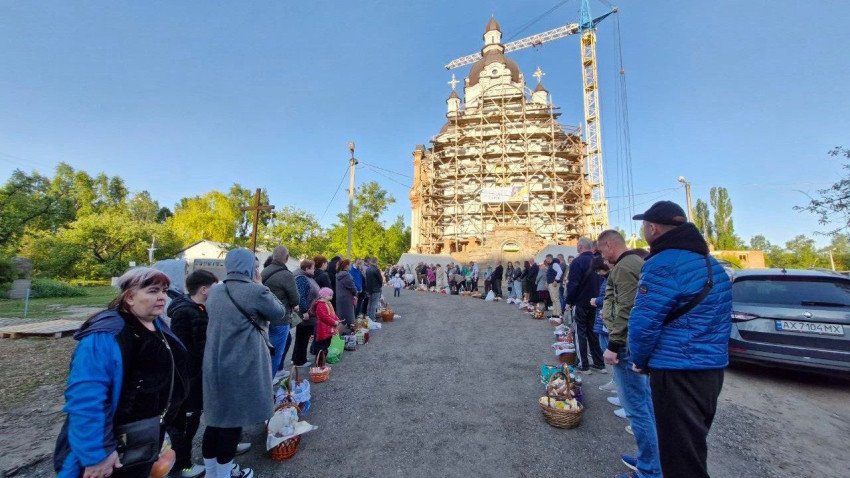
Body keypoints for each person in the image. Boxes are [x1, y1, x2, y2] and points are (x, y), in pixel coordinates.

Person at [629, 201, 732, 478]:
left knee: (679, 458)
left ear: (653, 228)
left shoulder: (663, 263)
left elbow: (644, 323)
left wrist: (640, 359)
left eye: (644, 226)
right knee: (692, 449)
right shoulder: (711, 265)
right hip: (710, 370)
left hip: (676, 370)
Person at [55, 268, 188, 478]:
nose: (162, 297)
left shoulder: (155, 324)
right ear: (130, 297)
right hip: (113, 448)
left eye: (164, 291)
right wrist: (97, 455)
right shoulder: (106, 334)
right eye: (153, 291)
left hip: (144, 438)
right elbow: (86, 398)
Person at [202, 249, 283, 478]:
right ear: (249, 267)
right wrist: (260, 284)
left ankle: (211, 472)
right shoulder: (256, 291)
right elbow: (278, 312)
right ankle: (224, 474)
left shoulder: (215, 291)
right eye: (255, 266)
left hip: (214, 361)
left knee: (215, 420)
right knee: (232, 422)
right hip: (242, 363)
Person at [597, 230, 661, 478]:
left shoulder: (624, 267)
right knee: (645, 404)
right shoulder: (635, 262)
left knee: (636, 409)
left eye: (602, 252)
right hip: (632, 343)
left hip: (625, 345)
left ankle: (649, 470)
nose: (603, 258)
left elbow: (626, 307)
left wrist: (613, 344)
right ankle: (651, 460)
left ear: (610, 245)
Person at [167, 269, 218, 478]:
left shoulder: (200, 309)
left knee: (194, 418)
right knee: (186, 422)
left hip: (198, 375)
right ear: (204, 289)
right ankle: (182, 466)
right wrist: (191, 375)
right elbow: (181, 350)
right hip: (189, 379)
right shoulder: (185, 312)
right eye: (214, 287)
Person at [565, 238, 606, 374]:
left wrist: (569, 301)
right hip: (595, 302)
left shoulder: (577, 262)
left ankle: (583, 364)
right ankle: (599, 363)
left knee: (579, 332)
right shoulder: (598, 260)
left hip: (581, 301)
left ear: (580, 247)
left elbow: (573, 284)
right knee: (593, 332)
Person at [261, 246, 300, 381]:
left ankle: (266, 380)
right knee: (276, 353)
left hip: (264, 318)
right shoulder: (286, 275)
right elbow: (295, 299)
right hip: (280, 319)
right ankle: (269, 383)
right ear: (287, 258)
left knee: (267, 352)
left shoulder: (264, 271)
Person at [590, 257, 617, 395]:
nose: (598, 273)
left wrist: (597, 301)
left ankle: (618, 386)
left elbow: (612, 298)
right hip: (604, 319)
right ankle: (616, 382)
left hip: (608, 321)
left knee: (613, 356)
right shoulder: (608, 278)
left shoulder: (613, 277)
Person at [292, 259, 320, 367]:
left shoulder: (306, 277)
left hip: (309, 311)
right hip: (306, 312)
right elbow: (301, 296)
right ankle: (299, 360)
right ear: (307, 268)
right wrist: (304, 311)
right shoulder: (302, 278)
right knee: (302, 337)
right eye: (313, 268)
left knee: (303, 336)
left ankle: (297, 357)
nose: (314, 270)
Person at [311, 287, 341, 356]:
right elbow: (324, 317)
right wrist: (334, 322)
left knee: (327, 344)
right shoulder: (320, 305)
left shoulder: (328, 303)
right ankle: (320, 360)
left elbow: (332, 314)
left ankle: (323, 359)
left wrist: (337, 319)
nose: (332, 296)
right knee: (322, 346)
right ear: (324, 295)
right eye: (330, 295)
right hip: (322, 328)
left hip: (328, 328)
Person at [334, 259, 358, 330]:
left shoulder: (338, 274)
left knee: (342, 316)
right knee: (349, 316)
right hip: (347, 298)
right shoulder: (346, 275)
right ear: (346, 266)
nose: (350, 266)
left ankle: (342, 331)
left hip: (340, 297)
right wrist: (355, 292)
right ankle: (350, 331)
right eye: (349, 265)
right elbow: (351, 286)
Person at [365, 257, 384, 322]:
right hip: (376, 289)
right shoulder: (376, 269)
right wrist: (380, 286)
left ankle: (368, 317)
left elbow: (367, 280)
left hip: (369, 289)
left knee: (370, 303)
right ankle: (372, 318)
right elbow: (380, 279)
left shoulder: (367, 269)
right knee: (374, 304)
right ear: (376, 262)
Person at [545, 254, 563, 319]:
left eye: (546, 259)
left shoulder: (555, 264)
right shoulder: (551, 265)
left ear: (549, 258)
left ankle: (558, 314)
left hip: (554, 284)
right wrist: (547, 282)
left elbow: (560, 272)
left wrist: (556, 280)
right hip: (551, 284)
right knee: (553, 299)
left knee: (556, 299)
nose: (546, 260)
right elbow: (549, 275)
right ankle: (554, 313)